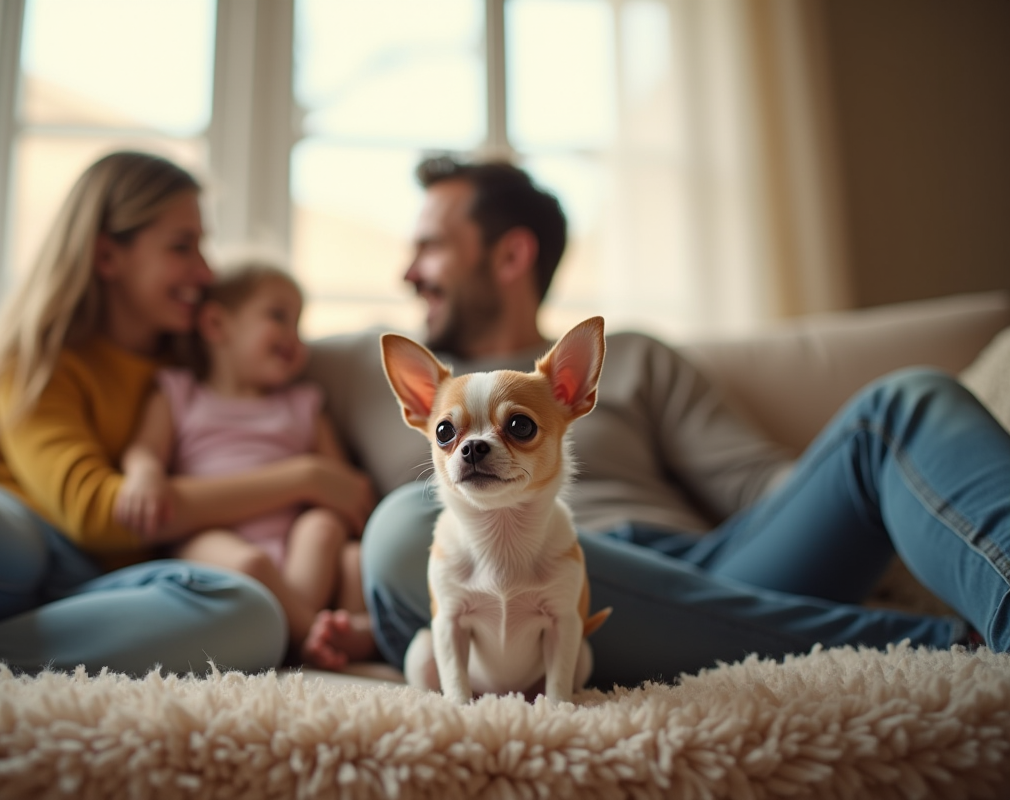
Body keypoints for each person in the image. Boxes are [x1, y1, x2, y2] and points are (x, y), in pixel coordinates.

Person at [352, 155, 1010, 688]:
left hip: (705, 570)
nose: (407, 272)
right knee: (408, 525)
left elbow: (756, 484)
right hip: (496, 596)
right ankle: (933, 645)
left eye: (430, 247)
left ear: (510, 256)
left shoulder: (632, 357)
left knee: (903, 404)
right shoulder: (380, 377)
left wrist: (885, 515)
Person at [0, 151, 354, 678]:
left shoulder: (194, 373)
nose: (205, 268)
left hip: (117, 589)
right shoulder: (38, 361)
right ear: (107, 256)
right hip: (21, 542)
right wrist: (304, 478)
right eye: (182, 246)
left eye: (202, 245)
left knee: (249, 612)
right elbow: (96, 511)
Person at [114, 262, 376, 670]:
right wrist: (144, 474)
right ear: (217, 324)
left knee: (341, 545)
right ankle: (316, 635)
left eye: (299, 324)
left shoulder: (303, 403)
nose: (294, 337)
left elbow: (341, 486)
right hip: (211, 536)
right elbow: (144, 450)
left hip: (297, 553)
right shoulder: (180, 394)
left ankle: (319, 633)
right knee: (250, 565)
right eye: (278, 316)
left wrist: (333, 519)